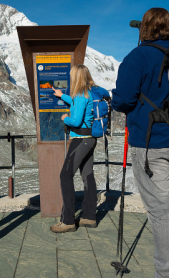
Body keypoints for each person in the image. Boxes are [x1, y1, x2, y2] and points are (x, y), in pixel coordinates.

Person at [112, 8, 169, 278]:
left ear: (144, 29)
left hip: (151, 144)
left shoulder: (138, 57)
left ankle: (168, 273)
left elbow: (123, 101)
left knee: (160, 212)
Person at [50, 64, 98, 233]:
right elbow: (79, 104)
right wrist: (63, 96)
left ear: (76, 77)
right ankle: (89, 216)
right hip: (90, 138)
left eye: (72, 76)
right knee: (87, 176)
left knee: (65, 175)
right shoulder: (88, 93)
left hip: (80, 140)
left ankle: (68, 220)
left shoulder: (79, 95)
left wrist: (65, 118)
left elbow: (76, 121)